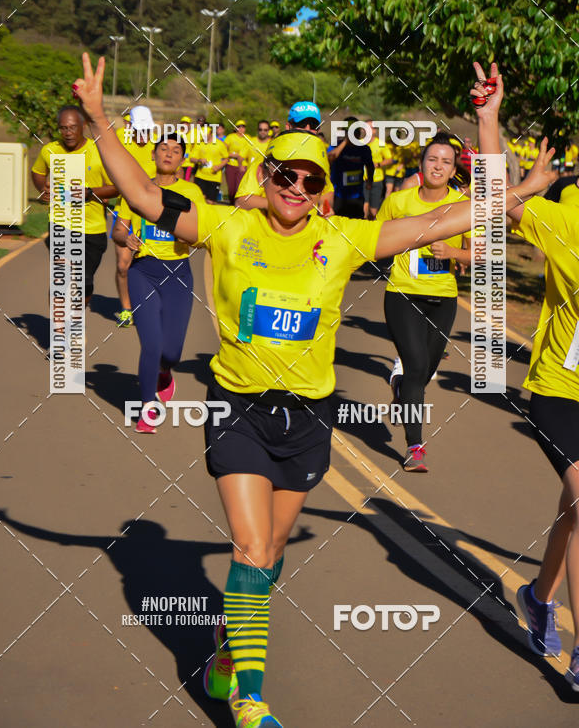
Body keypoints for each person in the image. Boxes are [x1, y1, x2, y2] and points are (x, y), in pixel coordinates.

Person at [74, 52, 553, 727]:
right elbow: (147, 198)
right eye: (284, 174)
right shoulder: (228, 226)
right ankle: (251, 698)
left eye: (309, 177)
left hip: (307, 420)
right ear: (265, 177)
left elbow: (473, 214)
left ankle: (224, 652)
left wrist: (488, 120)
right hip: (237, 409)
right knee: (250, 549)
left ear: (321, 187)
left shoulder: (345, 236)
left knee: (266, 560)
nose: (295, 186)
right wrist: (99, 122)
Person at [472, 61, 579, 690]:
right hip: (560, 390)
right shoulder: (567, 220)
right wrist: (489, 120)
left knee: (573, 507)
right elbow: (495, 205)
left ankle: (539, 597)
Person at [377, 132, 474, 471]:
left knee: (426, 370)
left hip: (443, 298)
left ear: (452, 171)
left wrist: (453, 252)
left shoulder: (464, 205)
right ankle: (414, 445)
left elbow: (479, 255)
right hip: (403, 293)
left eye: (446, 162)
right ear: (421, 164)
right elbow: (375, 240)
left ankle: (401, 385)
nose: (438, 166)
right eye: (433, 159)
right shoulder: (400, 202)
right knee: (417, 366)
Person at [112, 133, 204, 433]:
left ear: (182, 160)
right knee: (151, 344)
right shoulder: (138, 189)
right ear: (153, 155)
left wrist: (188, 234)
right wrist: (127, 237)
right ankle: (146, 409)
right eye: (163, 148)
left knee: (172, 352)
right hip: (144, 271)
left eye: (176, 150)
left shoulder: (193, 192)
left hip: (178, 273)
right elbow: (118, 231)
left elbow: (203, 233)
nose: (168, 153)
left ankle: (164, 372)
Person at [31, 104, 118, 306]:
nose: (68, 133)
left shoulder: (98, 152)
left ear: (84, 125)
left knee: (83, 282)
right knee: (62, 276)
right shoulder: (50, 150)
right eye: (63, 128)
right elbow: (37, 172)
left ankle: (76, 317)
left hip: (92, 229)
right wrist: (43, 189)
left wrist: (89, 193)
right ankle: (59, 326)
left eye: (72, 127)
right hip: (61, 223)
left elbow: (116, 187)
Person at [235, 101, 334, 215]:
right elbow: (242, 201)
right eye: (301, 124)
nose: (307, 129)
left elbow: (327, 191)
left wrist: (324, 205)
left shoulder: (319, 161)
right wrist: (286, 205)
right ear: (288, 127)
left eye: (313, 125)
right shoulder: (269, 157)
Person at [113, 106, 157, 327]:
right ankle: (126, 309)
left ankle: (147, 303)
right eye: (139, 129)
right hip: (126, 207)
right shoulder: (120, 139)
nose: (143, 135)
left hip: (149, 211)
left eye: (146, 130)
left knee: (146, 261)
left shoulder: (157, 144)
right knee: (123, 264)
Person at [328, 127, 374, 218]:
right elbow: (329, 158)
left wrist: (370, 180)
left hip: (357, 195)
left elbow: (370, 166)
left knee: (356, 224)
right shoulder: (336, 146)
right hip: (338, 194)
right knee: (338, 223)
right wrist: (345, 142)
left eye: (356, 134)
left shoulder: (364, 148)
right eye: (351, 134)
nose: (354, 136)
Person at [364, 120, 393, 220]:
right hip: (363, 180)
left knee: (373, 212)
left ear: (375, 131)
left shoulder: (381, 144)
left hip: (377, 180)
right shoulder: (358, 143)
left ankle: (371, 231)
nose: (369, 130)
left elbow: (389, 159)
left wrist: (378, 164)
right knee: (364, 208)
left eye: (371, 128)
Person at [191, 125, 229, 203]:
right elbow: (192, 158)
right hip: (200, 176)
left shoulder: (219, 144)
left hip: (214, 177)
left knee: (210, 201)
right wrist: (199, 160)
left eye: (205, 134)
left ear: (210, 133)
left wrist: (219, 166)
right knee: (199, 200)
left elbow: (226, 159)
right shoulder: (199, 143)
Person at [224, 120, 249, 203]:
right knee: (231, 189)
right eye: (239, 126)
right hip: (231, 165)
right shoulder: (230, 137)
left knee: (239, 188)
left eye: (243, 126)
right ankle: (231, 204)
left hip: (243, 166)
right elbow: (222, 151)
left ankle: (237, 205)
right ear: (235, 128)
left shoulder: (248, 138)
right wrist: (231, 155)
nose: (241, 128)